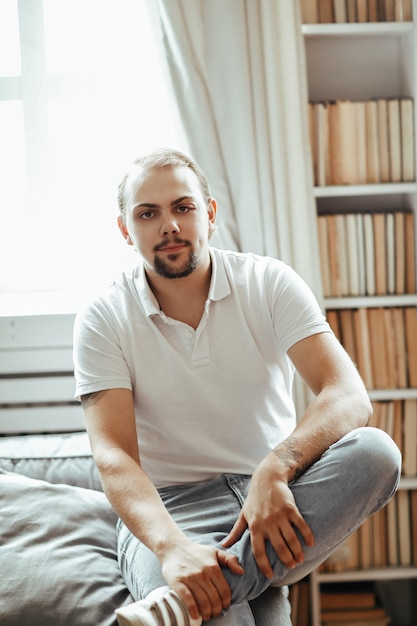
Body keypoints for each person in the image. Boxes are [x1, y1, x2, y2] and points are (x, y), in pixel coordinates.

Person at [73, 148, 401, 626]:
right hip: (170, 514)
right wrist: (171, 548)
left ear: (209, 214)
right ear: (126, 230)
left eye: (183, 207)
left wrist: (278, 466)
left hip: (273, 498)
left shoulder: (268, 282)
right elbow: (114, 456)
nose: (169, 225)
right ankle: (213, 587)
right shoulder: (103, 316)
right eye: (148, 214)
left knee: (376, 451)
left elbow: (347, 395)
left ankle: (178, 607)